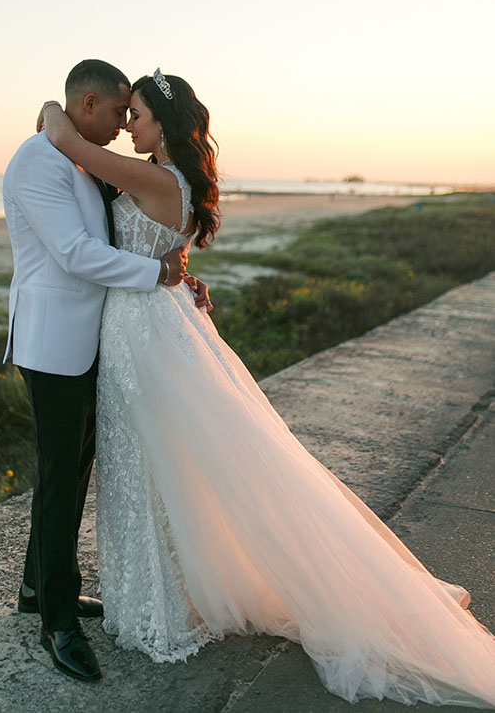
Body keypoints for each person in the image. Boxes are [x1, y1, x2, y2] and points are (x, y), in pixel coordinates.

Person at [39, 68, 495, 707]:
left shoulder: (154, 175)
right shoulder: (169, 179)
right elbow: (151, 238)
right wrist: (179, 273)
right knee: (150, 465)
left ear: (163, 127)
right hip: (146, 325)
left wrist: (47, 108)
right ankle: (162, 599)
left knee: (149, 466)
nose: (127, 127)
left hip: (142, 333)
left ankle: (163, 611)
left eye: (136, 115)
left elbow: (69, 143)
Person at [2, 60, 211, 683]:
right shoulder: (40, 161)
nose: (124, 125)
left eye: (134, 114)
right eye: (120, 111)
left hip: (101, 339)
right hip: (54, 343)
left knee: (72, 467)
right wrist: (160, 275)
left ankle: (39, 587)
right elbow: (73, 253)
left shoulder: (81, 156)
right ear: (87, 104)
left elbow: (129, 232)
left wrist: (173, 273)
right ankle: (57, 625)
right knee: (62, 475)